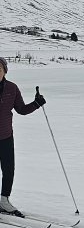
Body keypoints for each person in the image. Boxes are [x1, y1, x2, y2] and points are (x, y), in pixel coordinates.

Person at [0, 57, 46, 217]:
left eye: (0, 68)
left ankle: (4, 202)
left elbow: (21, 109)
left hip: (5, 137)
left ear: (5, 71)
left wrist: (36, 104)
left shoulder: (12, 88)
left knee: (8, 170)